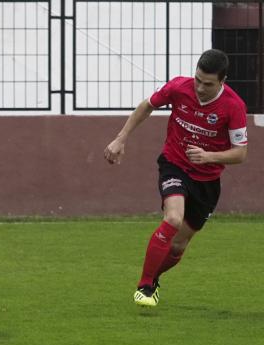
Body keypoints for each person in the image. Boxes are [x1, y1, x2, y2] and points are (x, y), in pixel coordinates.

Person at [104, 49, 248, 307]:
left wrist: (209, 157)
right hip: (175, 164)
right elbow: (146, 105)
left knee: (178, 245)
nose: (201, 88)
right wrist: (121, 138)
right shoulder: (179, 87)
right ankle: (145, 286)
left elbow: (240, 153)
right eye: (198, 80)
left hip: (207, 180)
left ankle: (154, 278)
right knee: (172, 218)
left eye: (208, 84)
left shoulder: (234, 106)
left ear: (222, 82)